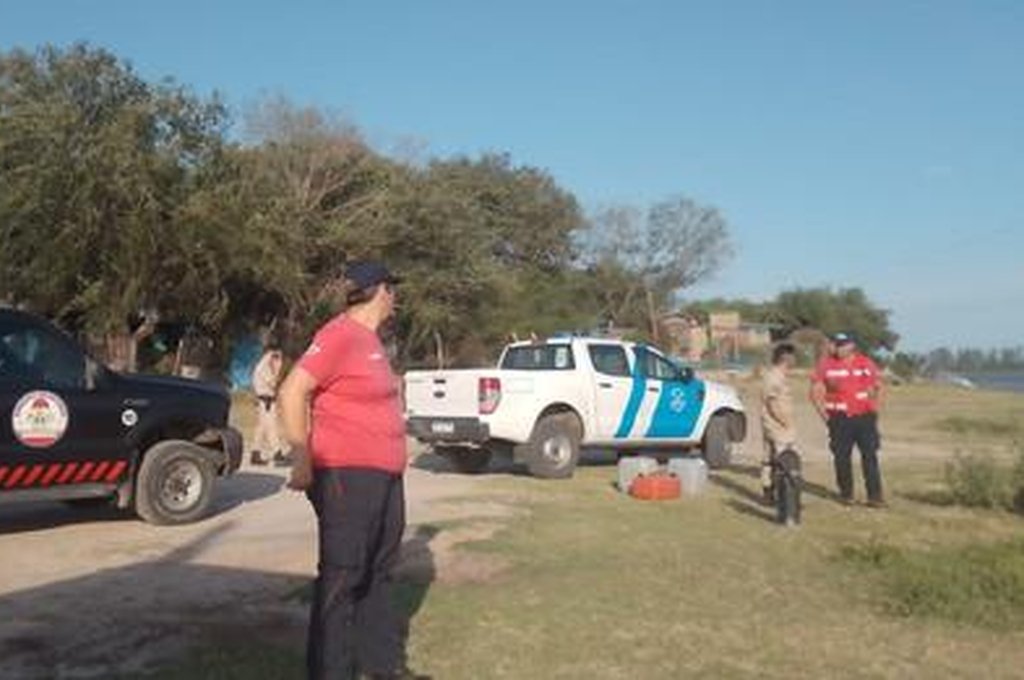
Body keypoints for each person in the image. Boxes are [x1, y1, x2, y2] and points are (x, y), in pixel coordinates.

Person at [278, 261, 427, 680]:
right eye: (392, 290)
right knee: (343, 578)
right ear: (379, 290)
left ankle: (383, 667)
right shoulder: (339, 335)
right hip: (347, 475)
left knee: (378, 573)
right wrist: (302, 458)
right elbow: (293, 391)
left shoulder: (371, 342)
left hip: (383, 476)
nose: (395, 298)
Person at [810, 332, 886, 507]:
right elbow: (815, 393)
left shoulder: (865, 363)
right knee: (842, 458)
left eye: (841, 344)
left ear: (851, 346)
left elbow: (879, 387)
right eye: (835, 344)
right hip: (839, 419)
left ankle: (875, 497)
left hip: (865, 418)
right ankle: (846, 494)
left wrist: (875, 410)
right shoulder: (826, 365)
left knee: (870, 456)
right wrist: (826, 418)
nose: (837, 348)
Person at [760, 342, 798, 502]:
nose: (795, 359)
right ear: (785, 358)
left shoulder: (780, 376)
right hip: (777, 426)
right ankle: (782, 495)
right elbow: (771, 402)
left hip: (777, 425)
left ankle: (770, 494)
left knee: (770, 460)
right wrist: (785, 422)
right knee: (784, 462)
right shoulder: (774, 376)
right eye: (792, 356)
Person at [250, 344, 285, 466]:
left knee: (261, 428)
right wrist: (277, 369)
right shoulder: (264, 367)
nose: (278, 359)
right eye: (277, 356)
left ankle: (255, 453)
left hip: (265, 400)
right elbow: (273, 383)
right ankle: (277, 453)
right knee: (271, 426)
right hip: (266, 401)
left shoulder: (262, 365)